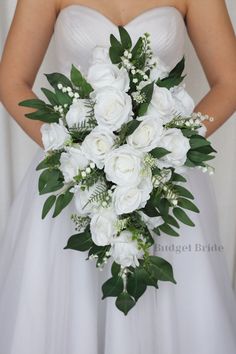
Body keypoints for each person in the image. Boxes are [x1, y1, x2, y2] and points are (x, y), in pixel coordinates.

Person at [0, 0, 236, 353]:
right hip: (74, 180)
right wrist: (73, 149)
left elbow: (229, 82)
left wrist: (170, 144)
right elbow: (11, 81)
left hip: (163, 179)